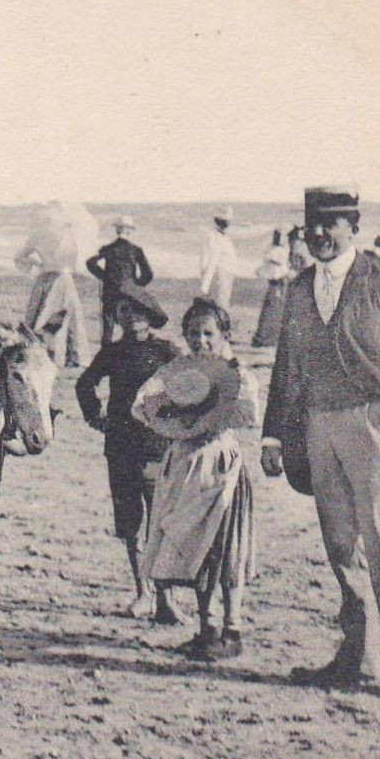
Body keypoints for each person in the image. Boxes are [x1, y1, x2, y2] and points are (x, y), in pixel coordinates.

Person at [263, 187, 380, 688]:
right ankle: (359, 656)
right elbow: (285, 365)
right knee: (340, 544)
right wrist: (273, 436)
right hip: (318, 423)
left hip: (373, 421)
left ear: (352, 227)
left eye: (330, 225)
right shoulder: (298, 289)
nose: (318, 234)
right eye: (312, 225)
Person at [133, 300, 260, 661]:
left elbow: (248, 412)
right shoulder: (178, 371)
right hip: (186, 466)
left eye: (208, 333)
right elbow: (142, 405)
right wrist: (174, 417)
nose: (200, 340)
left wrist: (211, 410)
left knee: (226, 549)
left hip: (220, 466)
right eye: (193, 333)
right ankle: (207, 627)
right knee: (197, 550)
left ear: (224, 336)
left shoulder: (236, 373)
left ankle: (232, 629)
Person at [75, 282, 181, 621]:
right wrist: (94, 414)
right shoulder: (112, 352)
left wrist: (177, 422)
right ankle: (142, 593)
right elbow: (84, 383)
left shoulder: (167, 352)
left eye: (138, 312)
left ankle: (167, 599)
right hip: (120, 445)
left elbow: (190, 388)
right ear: (117, 317)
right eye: (124, 311)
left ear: (150, 316)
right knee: (131, 523)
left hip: (157, 447)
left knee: (162, 523)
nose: (131, 318)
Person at [14, 201, 93, 368]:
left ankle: (40, 354)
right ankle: (70, 357)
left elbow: (19, 257)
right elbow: (72, 263)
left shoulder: (38, 235)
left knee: (40, 316)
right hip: (63, 278)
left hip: (44, 278)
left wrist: (36, 264)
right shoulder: (68, 237)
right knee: (68, 318)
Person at [86, 214, 154, 345]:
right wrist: (136, 285)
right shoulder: (136, 250)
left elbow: (90, 263)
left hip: (110, 291)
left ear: (116, 230)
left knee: (108, 329)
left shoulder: (107, 249)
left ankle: (104, 359)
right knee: (130, 326)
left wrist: (104, 276)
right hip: (130, 293)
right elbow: (148, 274)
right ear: (129, 231)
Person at [252, 228, 293, 348]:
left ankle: (265, 337)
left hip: (277, 282)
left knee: (271, 311)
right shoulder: (280, 251)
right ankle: (266, 338)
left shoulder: (273, 250)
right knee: (273, 310)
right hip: (278, 283)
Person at [198, 205, 238, 310]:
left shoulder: (222, 236)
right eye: (227, 221)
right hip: (219, 277)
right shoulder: (214, 236)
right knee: (220, 306)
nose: (229, 223)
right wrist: (204, 287)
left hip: (224, 277)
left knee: (221, 304)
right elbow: (212, 261)